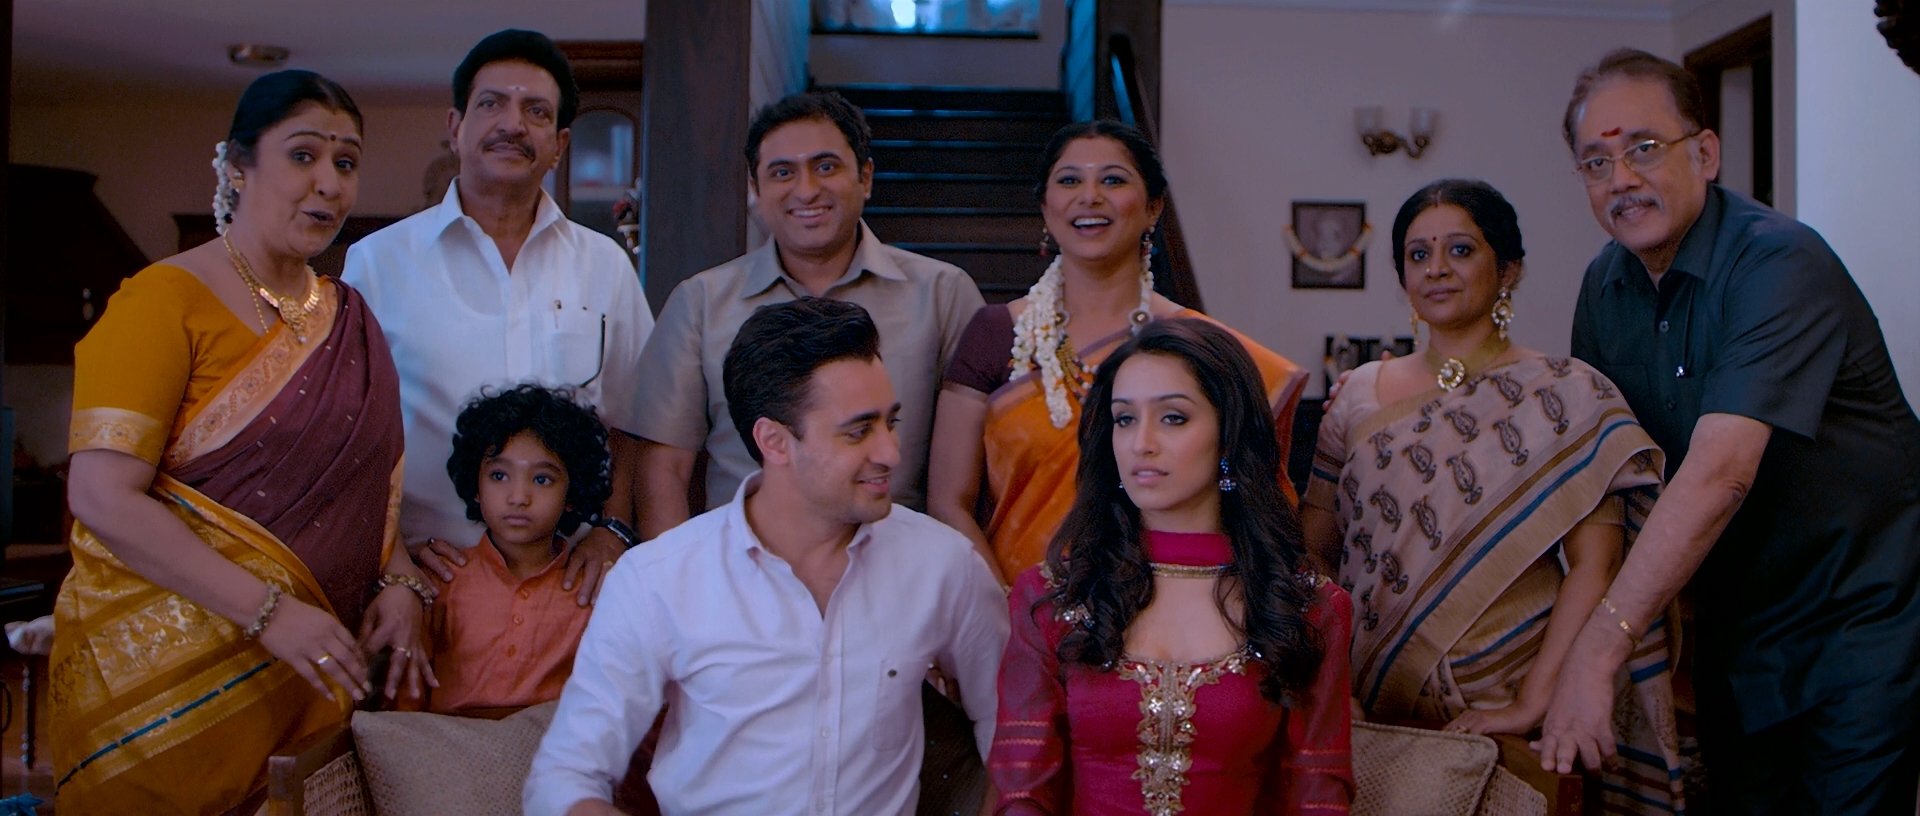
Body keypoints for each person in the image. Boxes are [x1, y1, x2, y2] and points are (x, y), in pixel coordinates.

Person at [1538, 49, 1920, 815]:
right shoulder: (1605, 285)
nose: (1622, 178)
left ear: (1706, 153)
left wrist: (1601, 647)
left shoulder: (1778, 261)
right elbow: (1604, 478)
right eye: (1597, 162)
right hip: (1734, 631)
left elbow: (1721, 472)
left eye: (1645, 147)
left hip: (1859, 622)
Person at [51, 70, 435, 814]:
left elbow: (363, 488)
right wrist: (269, 613)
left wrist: (400, 581)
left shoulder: (348, 316)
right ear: (236, 168)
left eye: (346, 162)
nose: (328, 183)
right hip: (159, 697)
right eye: (303, 155)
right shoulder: (161, 301)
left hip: (310, 680)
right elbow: (100, 494)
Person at [525, 298, 1008, 816]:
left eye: (891, 422)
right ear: (774, 441)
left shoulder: (942, 564)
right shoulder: (658, 579)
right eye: (858, 431)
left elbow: (1013, 724)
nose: (891, 452)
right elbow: (564, 777)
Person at [1303, 180, 1683, 813]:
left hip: (1516, 697)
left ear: (1508, 270)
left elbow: (1597, 564)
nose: (1436, 269)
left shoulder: (1567, 393)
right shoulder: (1357, 396)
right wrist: (1333, 679)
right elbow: (1313, 550)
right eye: (1418, 255)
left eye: (1460, 249)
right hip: (1375, 704)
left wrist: (1534, 700)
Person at [989, 317, 1352, 814]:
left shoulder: (1305, 606)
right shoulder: (1054, 596)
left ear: (1229, 434)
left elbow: (1318, 795)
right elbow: (1022, 792)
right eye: (1124, 419)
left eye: (1173, 418)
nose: (1141, 443)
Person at [342, 29, 652, 606]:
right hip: (429, 582)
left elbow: (633, 420)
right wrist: (393, 556)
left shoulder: (605, 265)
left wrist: (612, 529)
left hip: (572, 588)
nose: (513, 124)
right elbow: (349, 436)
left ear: (559, 144)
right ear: (455, 127)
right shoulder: (378, 263)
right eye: (492, 104)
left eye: (536, 111)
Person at [928, 120, 1308, 586]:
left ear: (1153, 207)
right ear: (1046, 207)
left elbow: (1250, 501)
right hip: (1014, 607)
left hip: (1174, 607)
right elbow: (948, 504)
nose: (1090, 196)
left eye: (1113, 179)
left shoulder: (1199, 346)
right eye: (1070, 180)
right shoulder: (995, 335)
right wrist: (1009, 613)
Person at [631, 91, 984, 537]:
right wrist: (675, 574)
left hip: (898, 560)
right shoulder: (700, 302)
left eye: (826, 167)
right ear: (755, 189)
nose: (806, 190)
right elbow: (663, 471)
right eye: (782, 172)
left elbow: (974, 475)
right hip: (739, 564)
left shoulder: (942, 295)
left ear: (866, 177)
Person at [404, 384, 612, 716]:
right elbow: (404, 704)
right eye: (499, 475)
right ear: (476, 486)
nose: (518, 497)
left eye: (542, 480)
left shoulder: (591, 591)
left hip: (548, 743)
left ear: (572, 494)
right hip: (445, 743)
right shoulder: (442, 578)